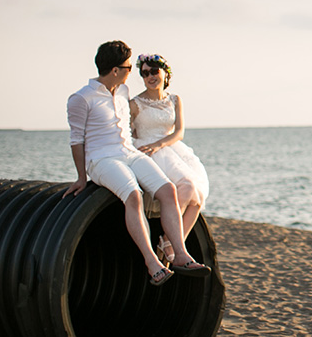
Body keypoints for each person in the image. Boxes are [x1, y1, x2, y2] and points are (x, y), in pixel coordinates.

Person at [63, 40, 211, 286]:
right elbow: (76, 141)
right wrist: (81, 177)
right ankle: (152, 263)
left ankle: (180, 255)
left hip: (129, 152)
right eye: (129, 67)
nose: (133, 72)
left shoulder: (122, 92)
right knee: (133, 195)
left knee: (168, 190)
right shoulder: (81, 98)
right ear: (115, 70)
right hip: (102, 159)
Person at [130, 53, 210, 264]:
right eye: (145, 73)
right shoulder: (135, 103)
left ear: (165, 73)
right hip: (147, 150)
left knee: (198, 195)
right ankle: (170, 247)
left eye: (154, 71)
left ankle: (169, 243)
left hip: (170, 147)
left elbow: (179, 132)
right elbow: (128, 134)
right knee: (188, 187)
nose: (150, 77)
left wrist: (161, 144)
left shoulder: (175, 99)